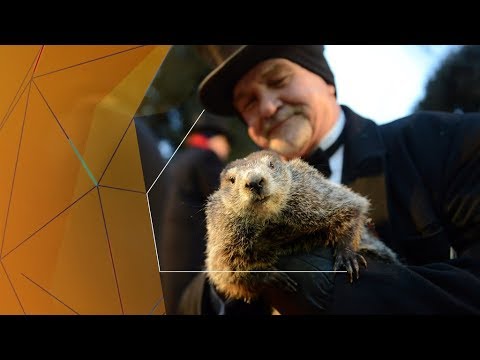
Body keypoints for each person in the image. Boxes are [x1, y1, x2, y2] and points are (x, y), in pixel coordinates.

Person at [177, 45, 480, 314]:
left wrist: (339, 293)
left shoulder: (445, 141)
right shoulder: (241, 195)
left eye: (278, 80)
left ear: (326, 80)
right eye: (249, 104)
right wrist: (243, 268)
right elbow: (188, 304)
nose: (268, 107)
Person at [157, 111, 232, 314]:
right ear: (216, 139)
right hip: (195, 259)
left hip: (173, 262)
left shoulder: (180, 160)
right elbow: (230, 202)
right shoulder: (206, 158)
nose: (227, 149)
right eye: (226, 143)